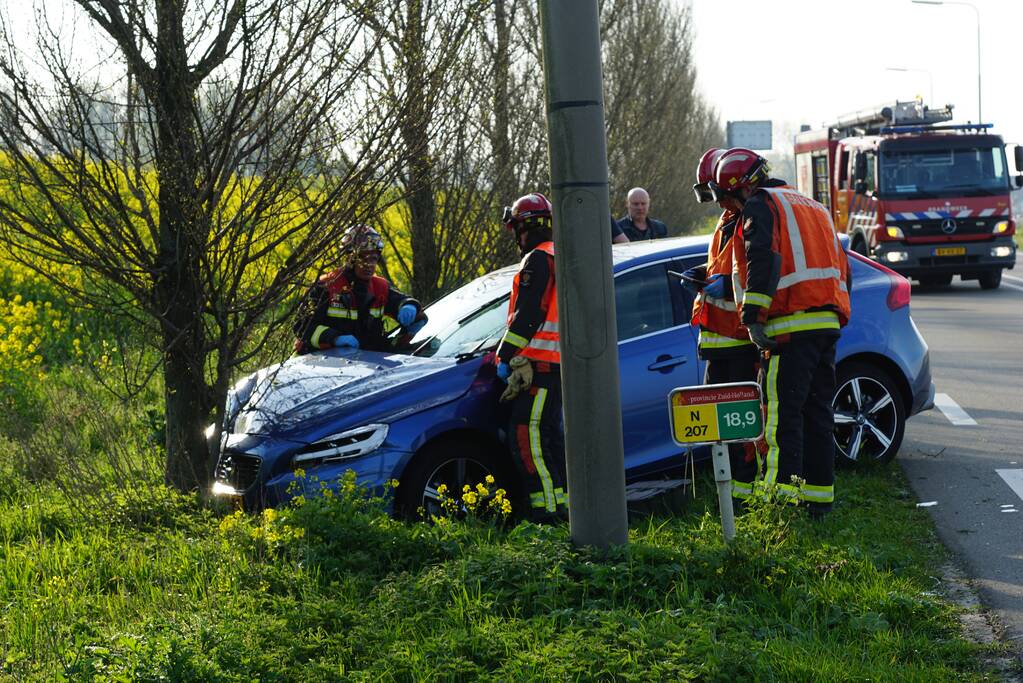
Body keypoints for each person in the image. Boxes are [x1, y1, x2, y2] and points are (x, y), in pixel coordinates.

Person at [710, 148, 851, 517]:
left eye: (727, 198)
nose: (728, 207)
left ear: (741, 188)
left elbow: (763, 259)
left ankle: (777, 505)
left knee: (778, 417)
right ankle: (819, 502)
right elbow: (842, 267)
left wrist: (754, 318)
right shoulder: (813, 205)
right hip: (827, 323)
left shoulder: (761, 203)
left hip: (789, 327)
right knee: (818, 414)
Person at [682, 148, 760, 502]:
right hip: (717, 342)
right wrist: (701, 274)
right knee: (721, 428)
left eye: (714, 194)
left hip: (740, 341)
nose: (715, 203)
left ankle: (743, 498)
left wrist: (723, 286)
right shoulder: (727, 220)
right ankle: (729, 497)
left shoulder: (749, 217)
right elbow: (723, 267)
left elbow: (748, 277)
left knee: (741, 424)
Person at [495, 193, 567, 522]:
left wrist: (504, 355)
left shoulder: (537, 259)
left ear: (524, 228)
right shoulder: (559, 255)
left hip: (540, 369)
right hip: (555, 367)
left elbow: (527, 316)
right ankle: (562, 508)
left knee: (529, 440)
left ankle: (548, 517)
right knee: (549, 441)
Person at [293, 224, 426, 354]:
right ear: (348, 258)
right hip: (319, 365)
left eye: (374, 259)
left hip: (367, 364)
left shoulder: (379, 287)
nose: (369, 264)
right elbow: (301, 326)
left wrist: (409, 306)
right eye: (362, 258)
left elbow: (402, 301)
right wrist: (334, 338)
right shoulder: (325, 286)